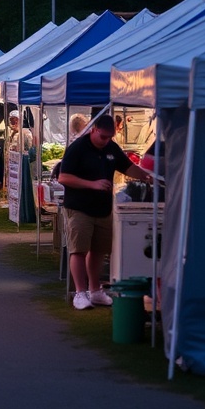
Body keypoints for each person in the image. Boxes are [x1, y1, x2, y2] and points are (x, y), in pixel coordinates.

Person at [58, 114, 152, 310]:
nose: (106, 141)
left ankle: (95, 291)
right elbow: (63, 177)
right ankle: (80, 293)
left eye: (110, 137)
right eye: (103, 137)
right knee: (79, 250)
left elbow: (127, 167)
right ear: (93, 130)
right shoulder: (78, 148)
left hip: (103, 208)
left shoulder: (111, 148)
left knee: (99, 251)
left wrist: (145, 175)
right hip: (78, 207)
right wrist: (92, 184)